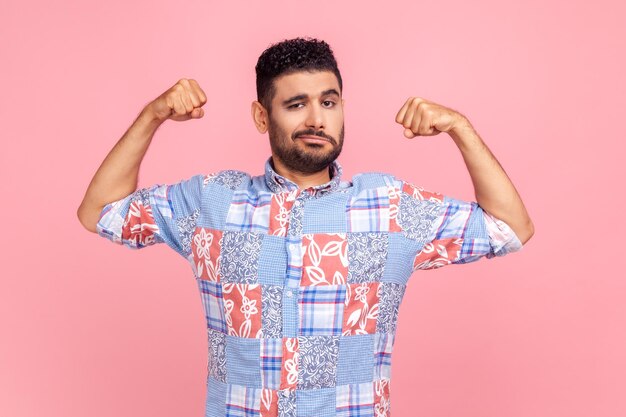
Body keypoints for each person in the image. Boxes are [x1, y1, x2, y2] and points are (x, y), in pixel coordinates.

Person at [78, 37, 533, 417]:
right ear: (262, 117)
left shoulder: (390, 205)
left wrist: (460, 127)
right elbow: (101, 212)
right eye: (296, 104)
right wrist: (153, 115)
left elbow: (509, 228)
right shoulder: (211, 201)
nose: (316, 118)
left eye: (328, 102)